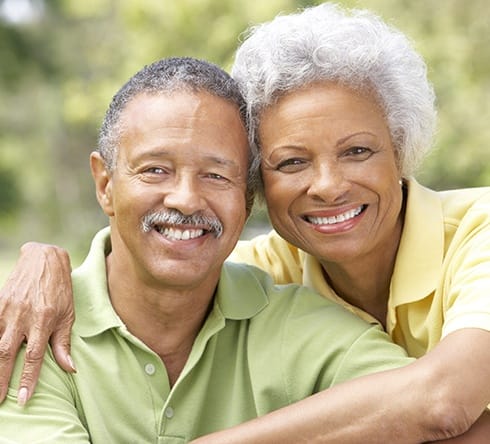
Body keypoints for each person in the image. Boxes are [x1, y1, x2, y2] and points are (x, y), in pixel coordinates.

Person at [1, 2, 490, 443]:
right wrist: (43, 261)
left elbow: (443, 403)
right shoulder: (263, 270)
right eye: (292, 162)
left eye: (357, 151)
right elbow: (167, 248)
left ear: (402, 150)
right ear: (256, 186)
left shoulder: (478, 232)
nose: (327, 185)